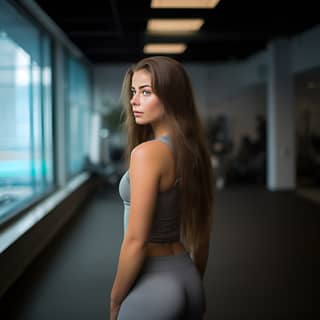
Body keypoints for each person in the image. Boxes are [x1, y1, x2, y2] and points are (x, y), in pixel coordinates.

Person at [110, 56, 215, 320]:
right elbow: (201, 236)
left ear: (172, 97)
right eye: (134, 92)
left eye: (146, 92)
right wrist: (194, 281)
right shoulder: (194, 152)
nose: (134, 101)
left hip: (155, 284)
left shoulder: (147, 154)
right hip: (188, 276)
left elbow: (136, 241)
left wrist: (115, 300)